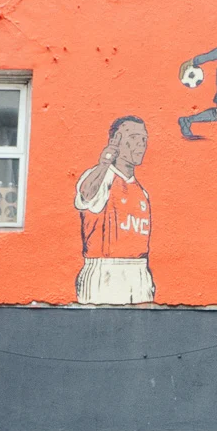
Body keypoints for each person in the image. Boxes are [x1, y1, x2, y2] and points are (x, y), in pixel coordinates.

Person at [73, 116, 155, 305]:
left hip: (139, 270)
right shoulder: (102, 177)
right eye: (133, 137)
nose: (141, 144)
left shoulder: (141, 192)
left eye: (144, 138)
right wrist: (104, 163)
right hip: (106, 271)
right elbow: (86, 195)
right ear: (115, 140)